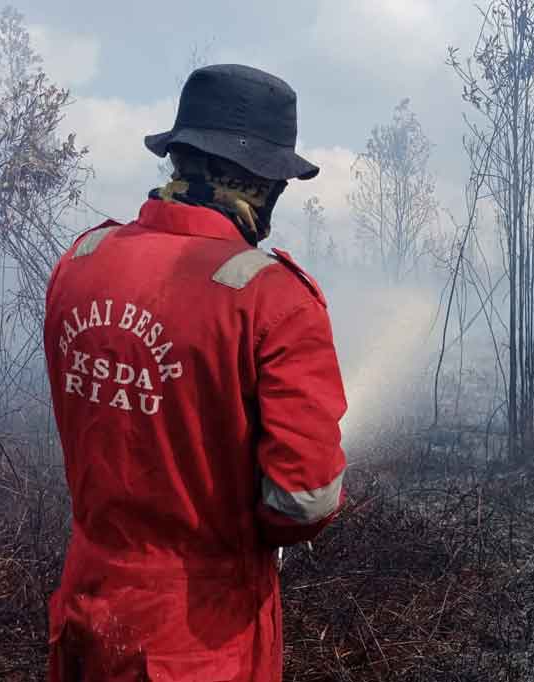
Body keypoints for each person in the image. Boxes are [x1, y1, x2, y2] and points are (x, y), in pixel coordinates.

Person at [42, 64, 347, 681]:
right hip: (201, 637)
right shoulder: (272, 300)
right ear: (261, 183)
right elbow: (302, 502)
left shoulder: (80, 262)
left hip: (87, 611)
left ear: (180, 160)